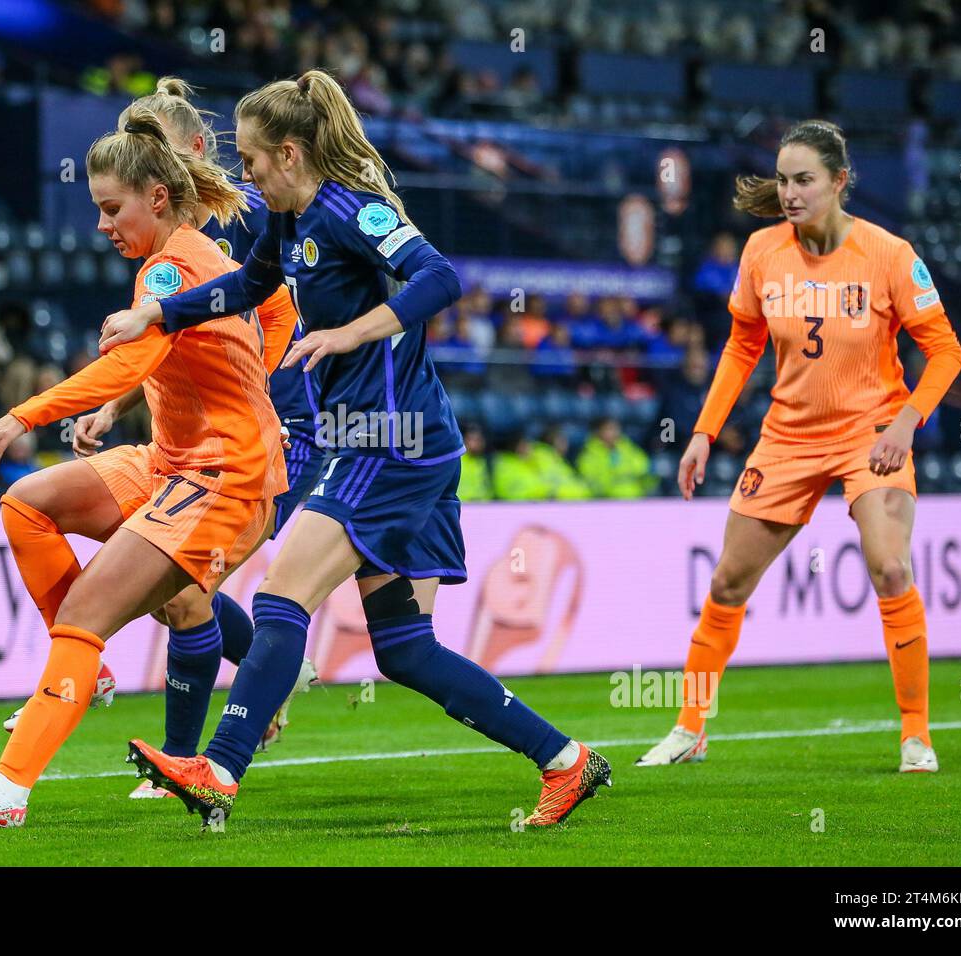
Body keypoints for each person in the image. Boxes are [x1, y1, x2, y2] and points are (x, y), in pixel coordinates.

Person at [100, 70, 610, 827]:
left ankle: (220, 770)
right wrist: (159, 315)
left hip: (390, 441)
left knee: (280, 598)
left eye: (251, 159)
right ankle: (566, 762)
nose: (244, 174)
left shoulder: (353, 211)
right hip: (387, 440)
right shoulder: (286, 221)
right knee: (405, 650)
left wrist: (352, 330)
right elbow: (245, 288)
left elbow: (441, 277)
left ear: (291, 153)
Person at [0, 105, 295, 828]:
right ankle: (89, 668)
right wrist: (243, 378)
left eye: (110, 208)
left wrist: (19, 415)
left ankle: (8, 789)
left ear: (155, 197)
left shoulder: (170, 269)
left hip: (223, 479)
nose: (102, 226)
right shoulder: (208, 256)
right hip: (169, 461)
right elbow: (278, 309)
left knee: (92, 611)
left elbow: (129, 355)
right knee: (28, 503)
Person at [635, 120, 961, 773]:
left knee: (891, 569)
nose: (789, 192)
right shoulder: (761, 251)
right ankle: (690, 729)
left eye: (803, 180)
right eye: (783, 179)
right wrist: (702, 431)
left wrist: (907, 422)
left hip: (871, 432)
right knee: (728, 580)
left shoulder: (890, 254)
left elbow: (947, 351)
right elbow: (741, 347)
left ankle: (916, 735)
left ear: (839, 182)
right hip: (787, 437)